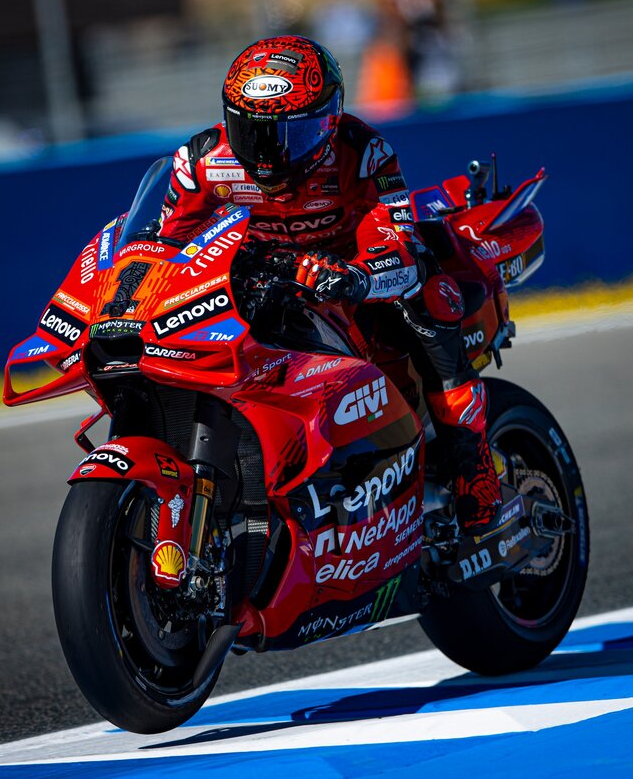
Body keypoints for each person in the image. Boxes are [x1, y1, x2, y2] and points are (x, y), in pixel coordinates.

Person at [155, 35, 500, 535]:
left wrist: (357, 277)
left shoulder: (364, 153)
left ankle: (474, 471)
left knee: (430, 297)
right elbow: (165, 245)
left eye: (294, 134)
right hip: (261, 283)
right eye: (253, 132)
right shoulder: (202, 161)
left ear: (331, 120)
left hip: (352, 280)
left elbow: (398, 240)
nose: (271, 154)